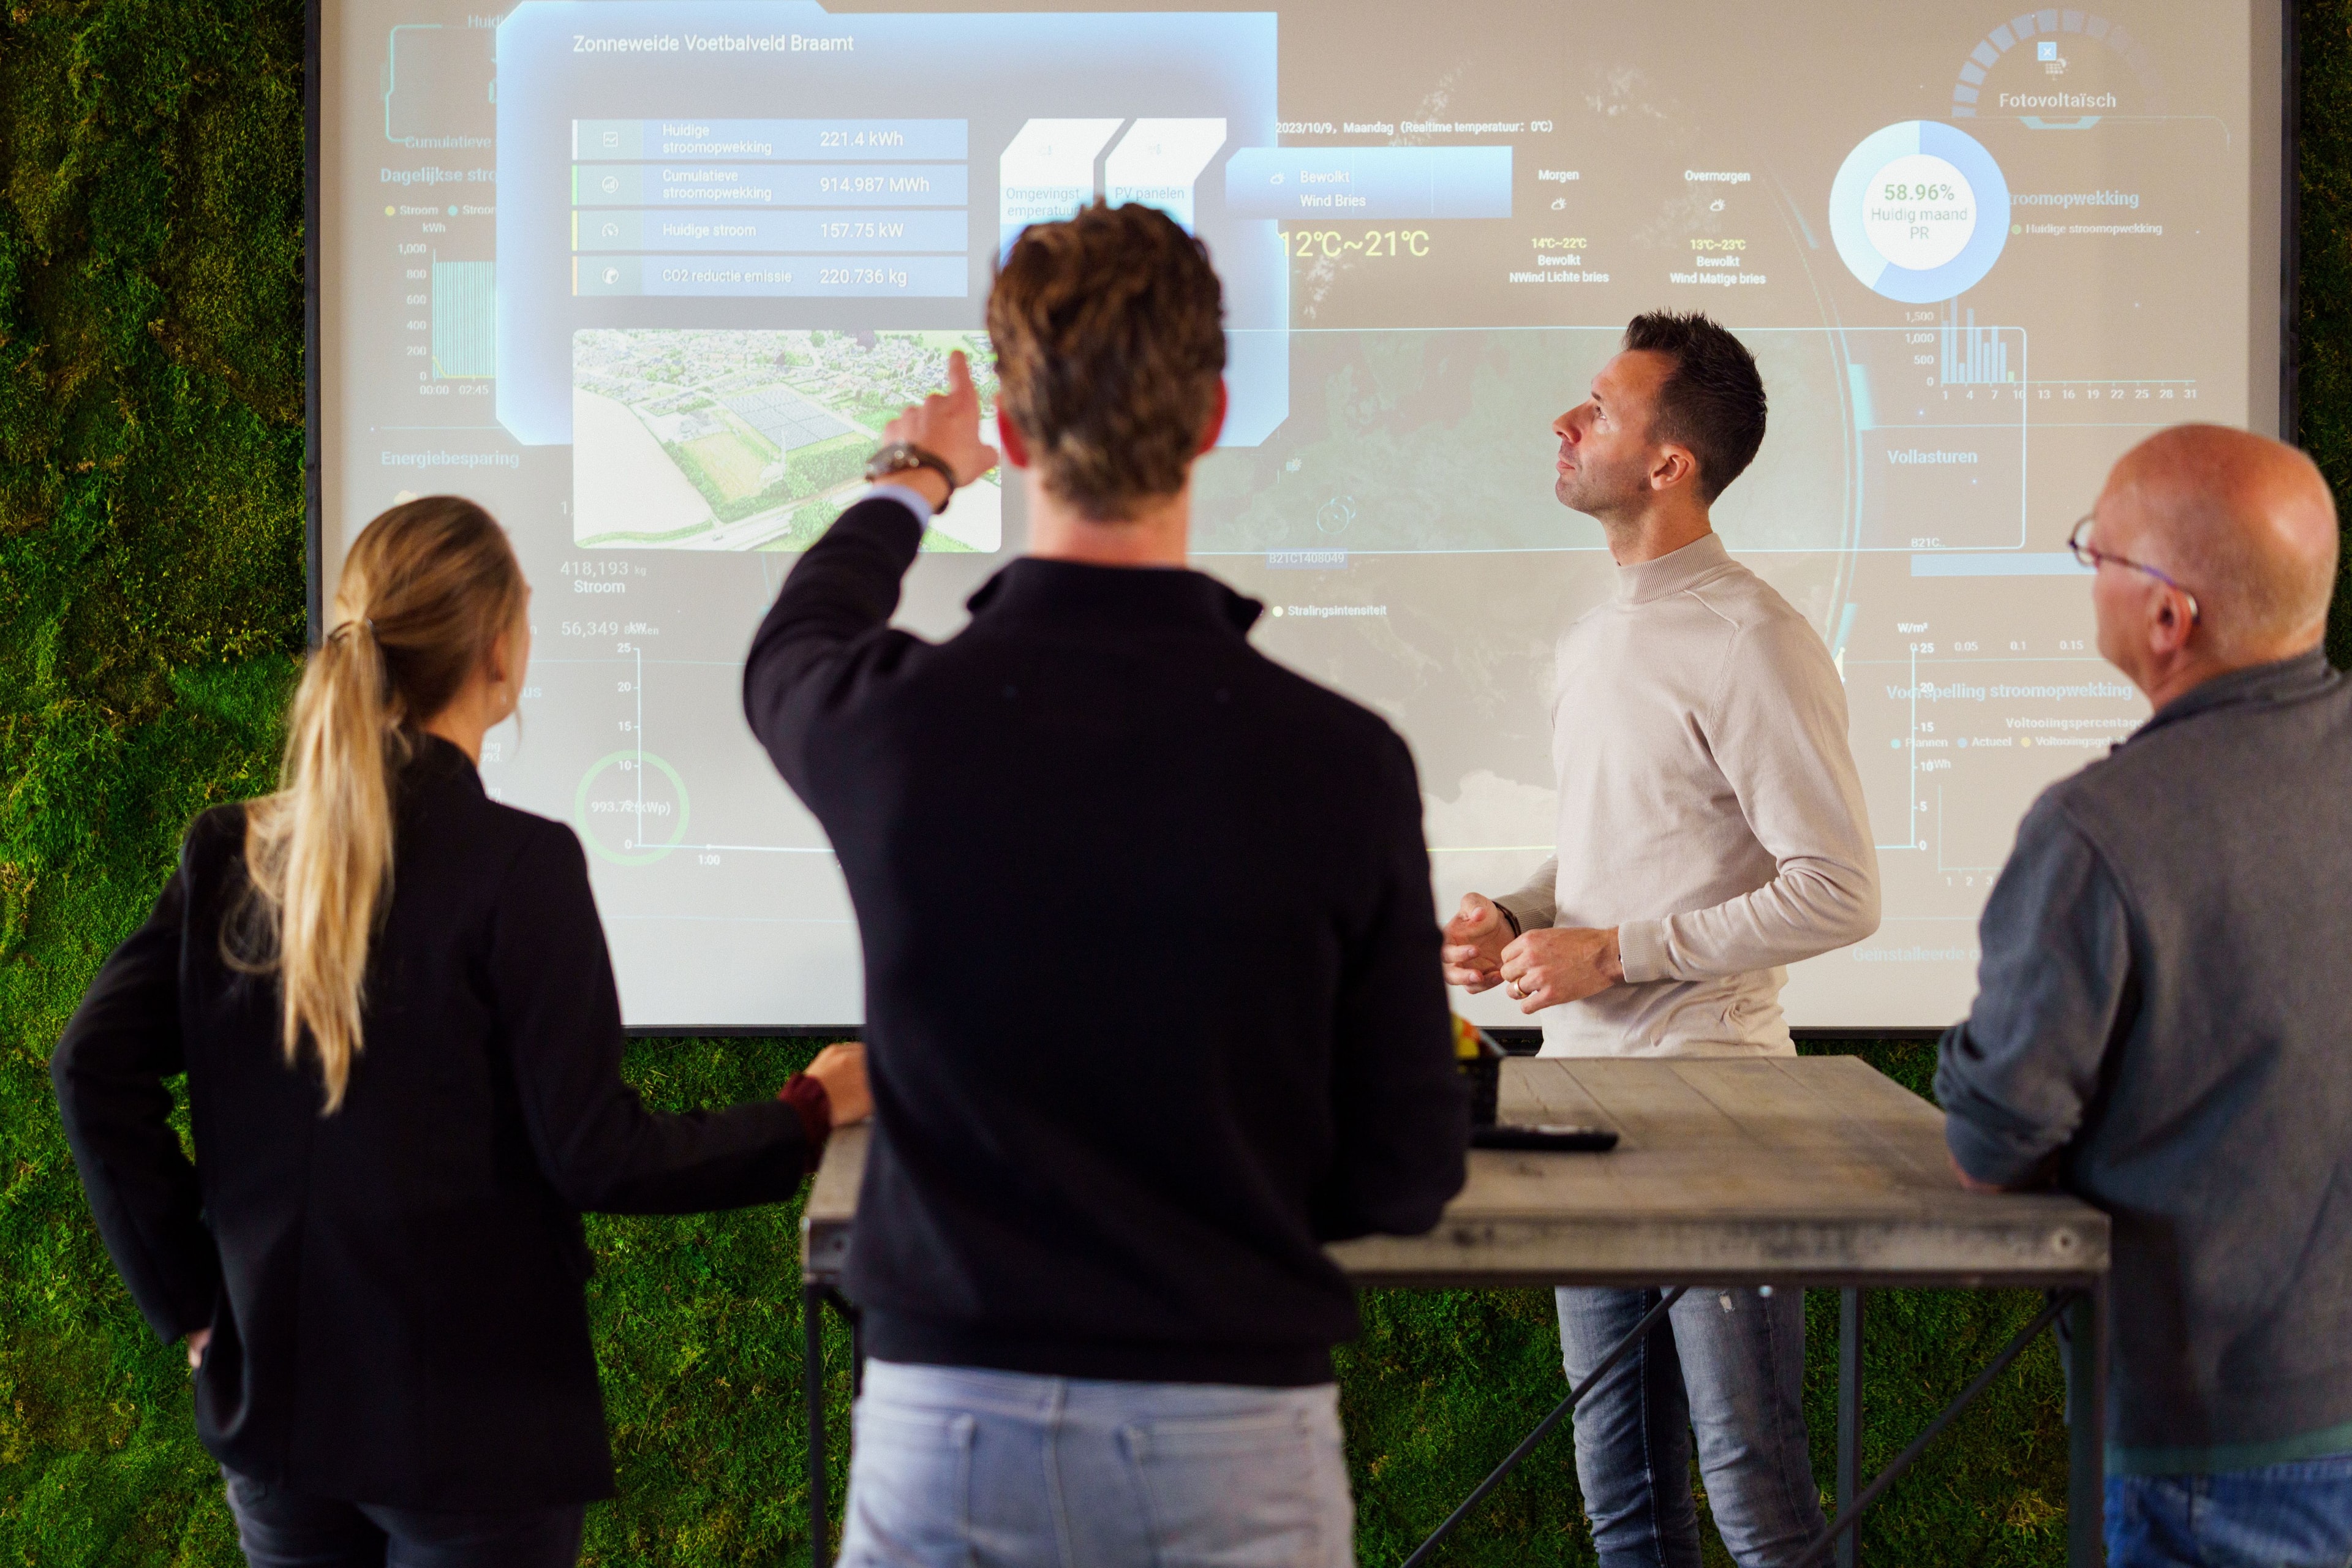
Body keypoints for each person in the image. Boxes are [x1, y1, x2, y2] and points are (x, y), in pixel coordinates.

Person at [742, 202, 1468, 1567]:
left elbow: (793, 642)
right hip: (1231, 1432)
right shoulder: (1344, 763)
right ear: (1213, 416)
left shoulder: (895, 725)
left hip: (945, 1422)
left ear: (1011, 437)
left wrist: (912, 473)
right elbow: (1407, 1166)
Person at [50, 497, 870, 1568]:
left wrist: (200, 1309)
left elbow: (88, 1069)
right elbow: (597, 1157)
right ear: (501, 649)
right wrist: (806, 1113)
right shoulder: (519, 867)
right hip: (478, 1436)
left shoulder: (233, 852)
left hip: (280, 1421)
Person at [1439, 312, 1880, 1567]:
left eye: (1598, 408)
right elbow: (1619, 848)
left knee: (1758, 1503)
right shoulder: (1598, 634)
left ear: (1668, 463)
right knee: (1624, 1500)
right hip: (1579, 1106)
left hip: (1717, 1114)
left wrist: (1617, 950)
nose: (1565, 424)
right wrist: (1521, 915)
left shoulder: (1755, 638)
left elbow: (1840, 890)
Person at [1935, 424, 2352, 1568]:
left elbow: (1991, 1143)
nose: (2087, 574)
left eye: (2096, 553)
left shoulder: (2101, 830)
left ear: (2171, 616)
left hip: (2221, 1450)